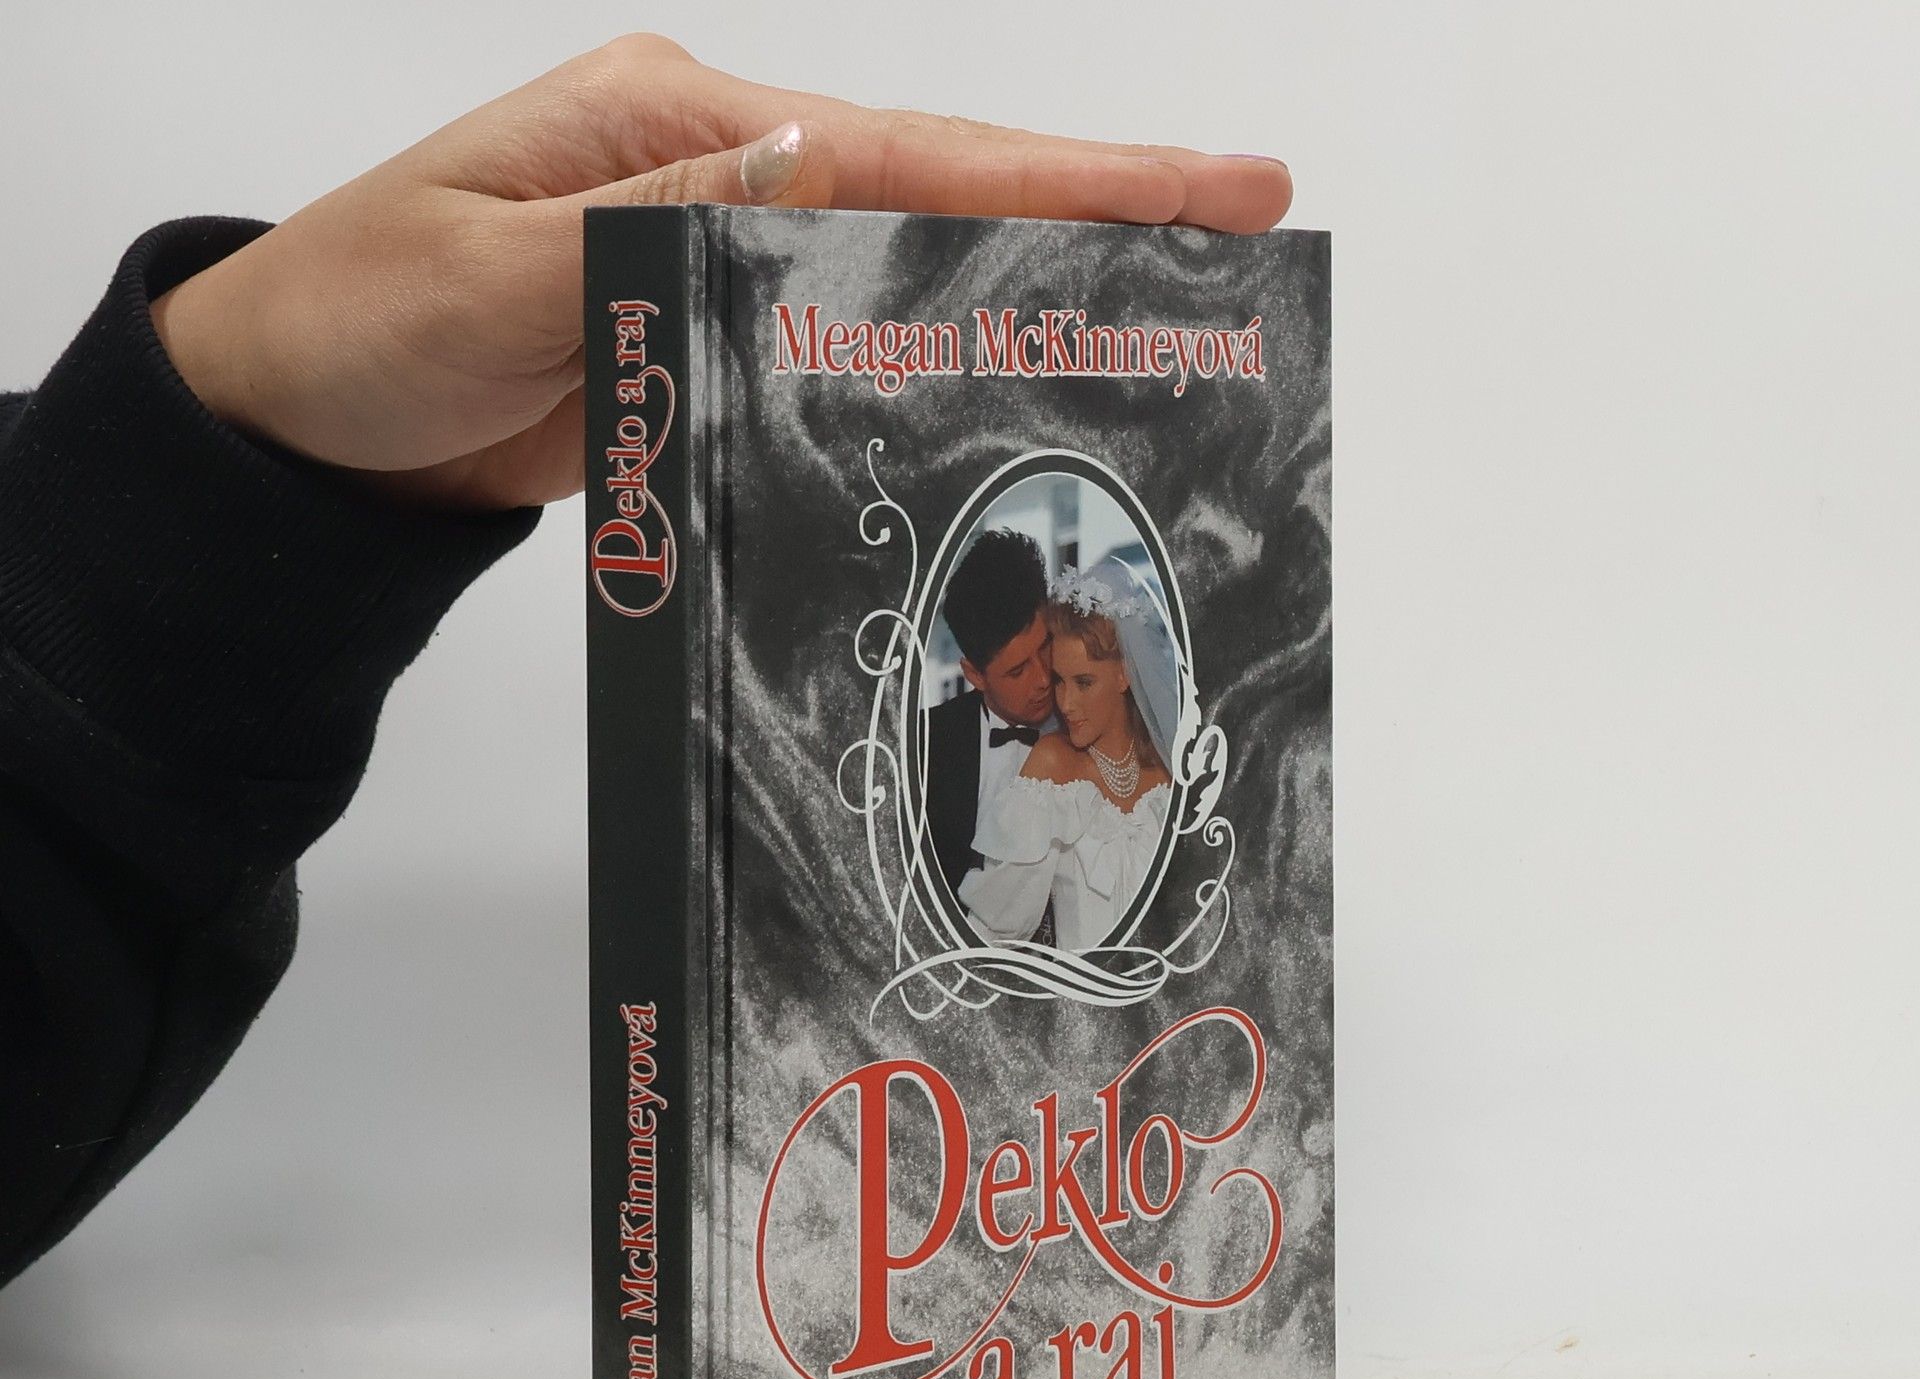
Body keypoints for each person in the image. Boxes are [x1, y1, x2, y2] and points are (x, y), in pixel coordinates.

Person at [0, 37, 1292, 1292]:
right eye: (1023, 673)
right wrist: (203, 437)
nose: (1043, 695)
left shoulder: (1158, 760)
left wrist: (211, 443)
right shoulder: (934, 751)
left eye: (1064, 674)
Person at [959, 555, 1181, 952]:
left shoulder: (1169, 770)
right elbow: (995, 931)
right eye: (1060, 681)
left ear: (1124, 674)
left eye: (1084, 682)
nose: (1065, 703)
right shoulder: (1052, 766)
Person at [923, 528, 1059, 899]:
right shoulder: (923, 748)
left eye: (1045, 646)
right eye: (1017, 671)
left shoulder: (1103, 722)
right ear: (974, 675)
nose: (1043, 679)